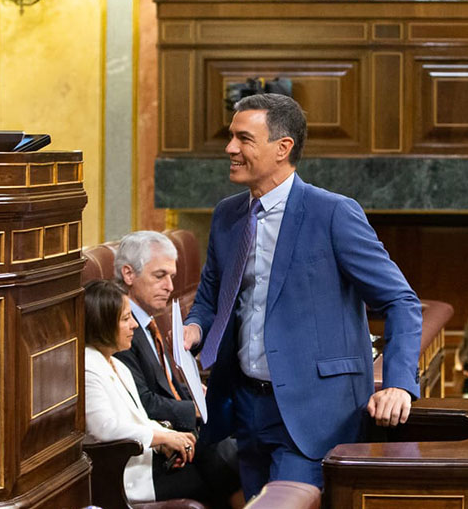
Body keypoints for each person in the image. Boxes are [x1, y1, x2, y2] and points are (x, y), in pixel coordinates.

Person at [182, 93, 422, 498]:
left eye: (243, 138)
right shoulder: (227, 215)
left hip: (316, 413)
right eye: (231, 138)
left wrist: (399, 383)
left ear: (283, 148)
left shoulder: (333, 213)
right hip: (245, 408)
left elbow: (401, 300)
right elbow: (210, 296)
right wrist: (193, 327)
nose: (229, 149)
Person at [112, 231, 244, 508]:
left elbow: (166, 383)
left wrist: (195, 392)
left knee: (247, 449)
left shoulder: (148, 321)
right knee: (237, 464)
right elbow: (143, 402)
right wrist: (193, 408)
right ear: (128, 273)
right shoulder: (120, 330)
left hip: (182, 434)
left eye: (172, 276)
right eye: (160, 276)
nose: (170, 286)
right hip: (154, 452)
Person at [85, 279, 238, 506]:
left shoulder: (119, 366)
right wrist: (163, 437)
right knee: (221, 475)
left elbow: (141, 419)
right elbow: (107, 429)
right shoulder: (88, 366)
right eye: (126, 319)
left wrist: (168, 439)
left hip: (151, 460)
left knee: (219, 455)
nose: (134, 325)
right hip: (129, 476)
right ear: (103, 324)